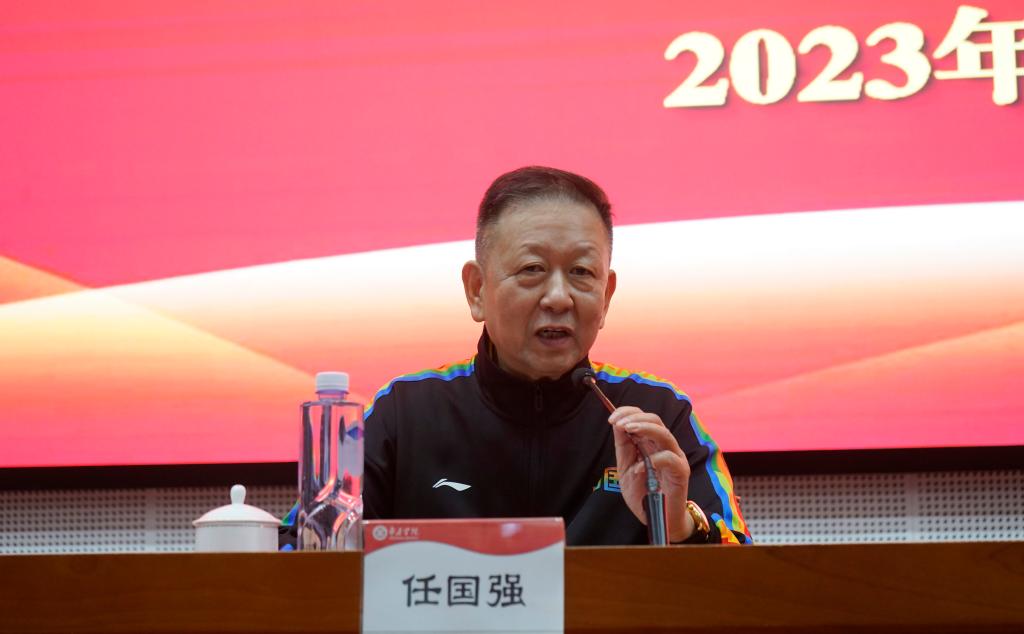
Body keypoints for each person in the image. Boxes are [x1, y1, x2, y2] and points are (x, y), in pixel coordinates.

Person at [358, 166, 751, 545]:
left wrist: (681, 526)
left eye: (581, 272)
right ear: (477, 289)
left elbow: (747, 574)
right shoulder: (403, 414)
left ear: (606, 295)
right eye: (533, 269)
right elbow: (321, 550)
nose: (559, 298)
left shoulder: (659, 412)